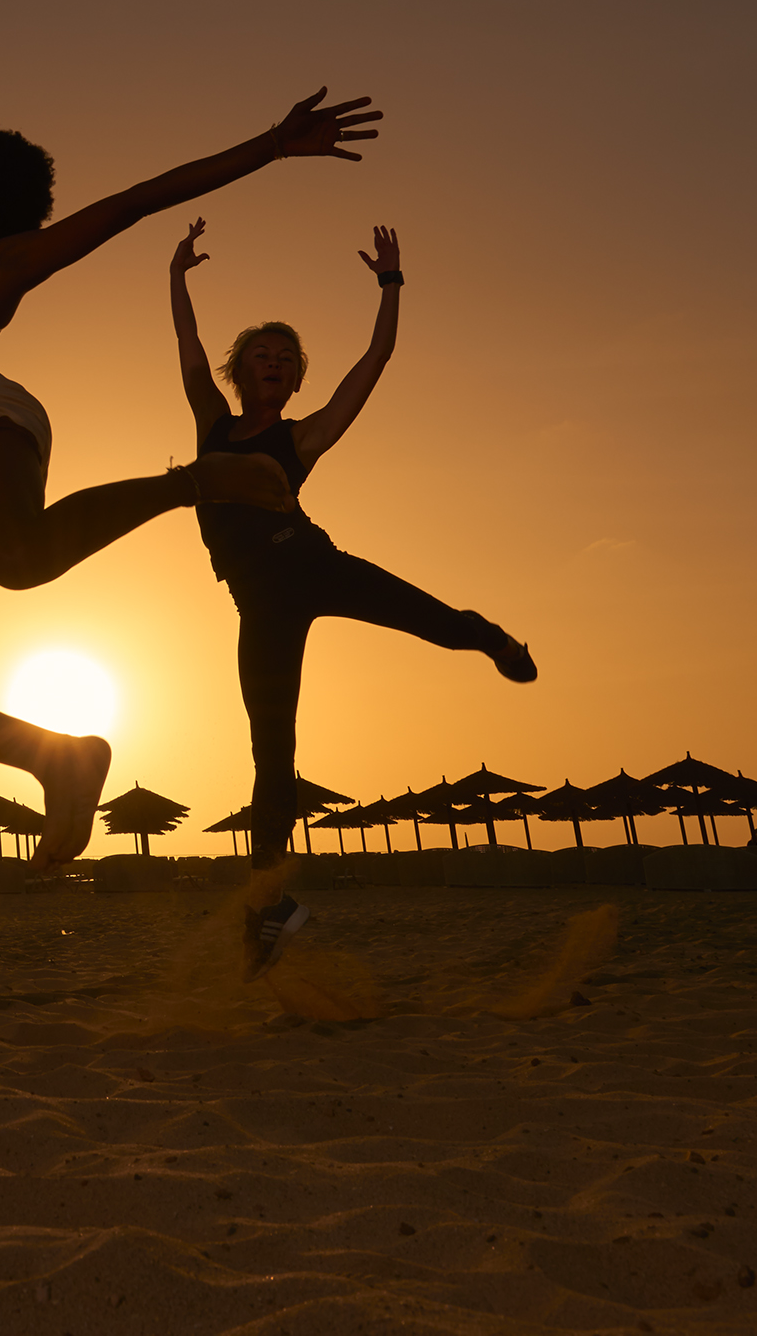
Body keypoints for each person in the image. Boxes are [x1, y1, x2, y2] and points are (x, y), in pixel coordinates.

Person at [0, 90, 384, 868]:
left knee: (21, 563)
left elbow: (133, 202)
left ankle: (192, 481)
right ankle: (50, 754)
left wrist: (269, 144)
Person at [165, 215, 536, 973]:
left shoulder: (299, 437)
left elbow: (376, 359)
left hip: (313, 564)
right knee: (271, 757)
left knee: (432, 622)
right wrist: (174, 277)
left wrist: (390, 284)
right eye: (259, 356)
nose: (271, 364)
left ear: (295, 378)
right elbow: (187, 349)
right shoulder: (211, 425)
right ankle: (269, 909)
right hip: (257, 604)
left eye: (284, 359)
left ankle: (493, 639)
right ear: (241, 371)